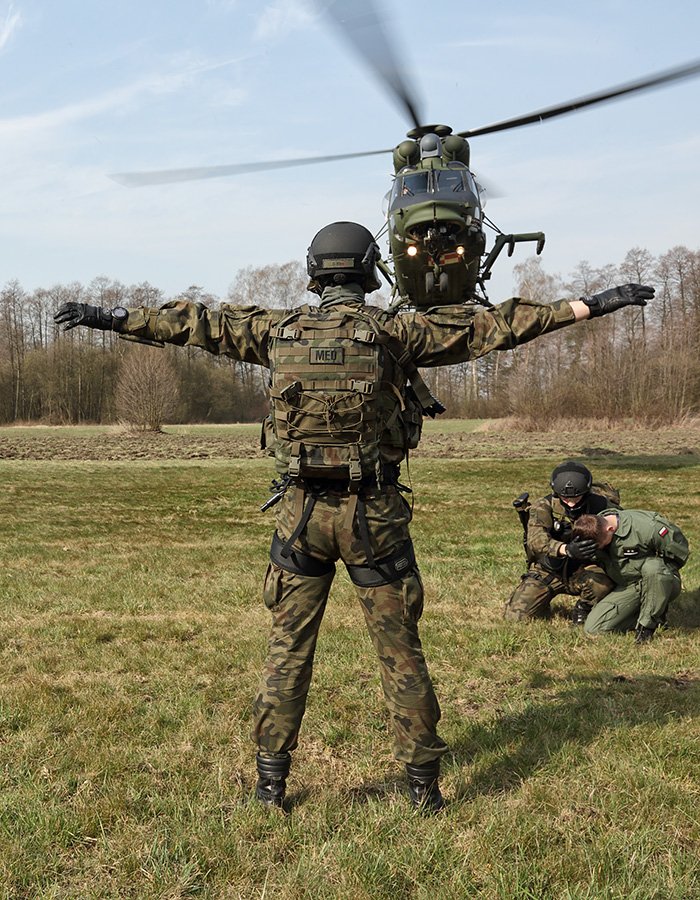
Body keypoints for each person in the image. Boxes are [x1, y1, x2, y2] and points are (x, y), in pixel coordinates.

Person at [54, 221, 653, 812]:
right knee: (400, 651)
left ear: (315, 273)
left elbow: (191, 321)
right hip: (375, 518)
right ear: (370, 271)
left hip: (300, 515)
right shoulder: (395, 331)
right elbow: (501, 327)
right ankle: (423, 786)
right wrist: (593, 304)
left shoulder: (273, 331)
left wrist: (106, 318)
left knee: (288, 649)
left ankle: (271, 787)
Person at [504, 461, 621, 624]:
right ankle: (542, 602)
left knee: (601, 585)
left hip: (588, 567)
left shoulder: (602, 505)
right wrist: (566, 549)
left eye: (577, 497)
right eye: (566, 498)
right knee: (515, 617)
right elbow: (536, 541)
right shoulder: (543, 506)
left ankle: (585, 608)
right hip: (549, 569)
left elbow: (623, 532)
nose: (571, 503)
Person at [571, 509, 689, 641]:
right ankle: (650, 614)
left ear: (610, 529)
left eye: (600, 545)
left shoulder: (648, 528)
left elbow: (679, 553)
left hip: (660, 580)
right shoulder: (593, 529)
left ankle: (647, 625)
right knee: (594, 628)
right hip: (628, 586)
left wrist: (660, 577)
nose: (599, 548)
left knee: (653, 567)